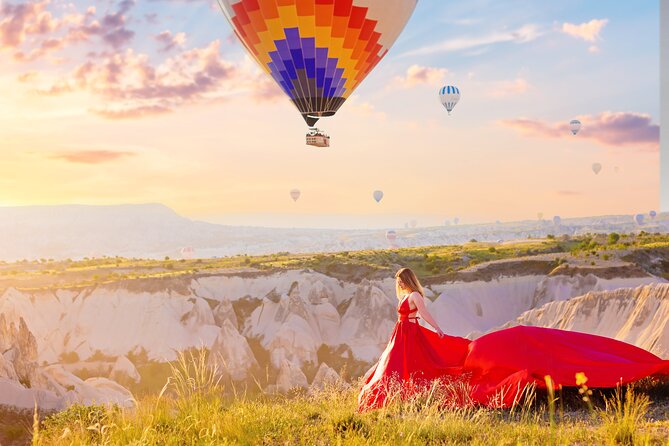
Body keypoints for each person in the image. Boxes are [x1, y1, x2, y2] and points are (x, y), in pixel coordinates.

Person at [358, 268, 669, 411]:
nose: (398, 284)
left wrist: (438, 330)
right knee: (405, 367)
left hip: (414, 334)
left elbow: (425, 315)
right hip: (404, 335)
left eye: (400, 280)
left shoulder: (414, 296)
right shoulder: (404, 295)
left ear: (407, 281)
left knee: (422, 366)